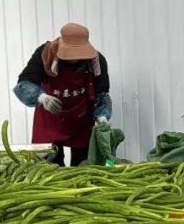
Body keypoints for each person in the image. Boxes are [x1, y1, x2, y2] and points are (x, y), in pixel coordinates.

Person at [13, 23, 112, 166]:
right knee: (49, 170)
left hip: (81, 122)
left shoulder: (96, 60)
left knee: (83, 169)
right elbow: (23, 84)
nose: (75, 58)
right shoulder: (45, 54)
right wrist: (42, 98)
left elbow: (102, 94)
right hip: (49, 121)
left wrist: (102, 116)